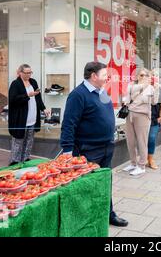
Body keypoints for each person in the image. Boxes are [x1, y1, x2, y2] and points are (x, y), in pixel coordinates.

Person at [60, 62, 128, 228]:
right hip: (88, 149)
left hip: (106, 147)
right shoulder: (78, 95)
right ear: (94, 76)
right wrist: (67, 150)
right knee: (88, 185)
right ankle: (86, 219)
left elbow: (106, 114)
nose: (107, 77)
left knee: (105, 182)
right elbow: (69, 124)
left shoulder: (102, 91)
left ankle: (108, 213)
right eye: (104, 74)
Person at [8, 64, 49, 166]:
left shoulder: (33, 82)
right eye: (26, 73)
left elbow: (38, 97)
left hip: (32, 117)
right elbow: (13, 100)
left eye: (30, 72)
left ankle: (26, 159)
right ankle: (15, 162)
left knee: (29, 140)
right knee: (18, 140)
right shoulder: (15, 84)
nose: (28, 75)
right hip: (20, 118)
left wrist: (43, 108)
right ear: (20, 73)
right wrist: (27, 95)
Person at [123, 69, 157, 176]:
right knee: (130, 141)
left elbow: (154, 102)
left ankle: (142, 165)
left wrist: (155, 89)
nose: (142, 77)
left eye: (145, 75)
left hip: (142, 116)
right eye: (140, 75)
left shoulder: (151, 88)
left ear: (148, 76)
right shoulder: (131, 86)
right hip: (130, 115)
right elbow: (126, 99)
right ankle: (133, 163)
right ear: (137, 76)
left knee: (142, 141)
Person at [148, 75, 161, 170]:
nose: (152, 80)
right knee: (143, 140)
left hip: (155, 119)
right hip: (143, 119)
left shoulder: (159, 90)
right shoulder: (143, 89)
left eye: (154, 78)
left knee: (151, 138)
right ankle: (144, 158)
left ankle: (150, 159)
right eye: (150, 78)